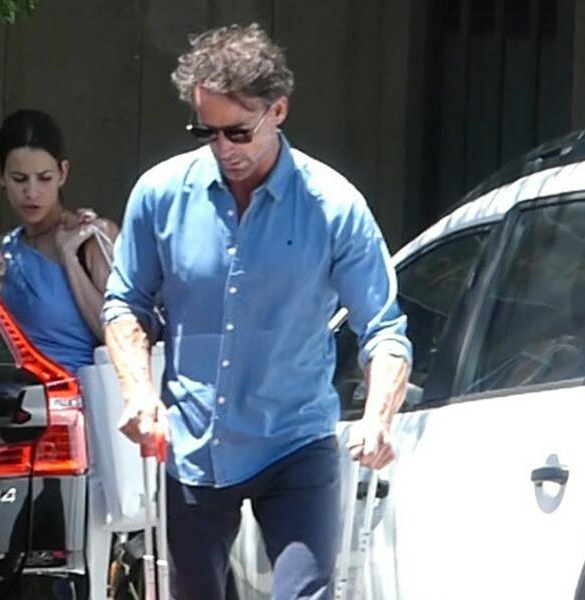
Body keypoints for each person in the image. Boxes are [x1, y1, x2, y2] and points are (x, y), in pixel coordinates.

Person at [102, 24, 413, 599]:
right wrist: (139, 393)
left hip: (295, 439)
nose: (223, 149)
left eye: (239, 132)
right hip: (194, 443)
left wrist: (378, 418)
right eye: (207, 131)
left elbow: (384, 330)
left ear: (279, 111)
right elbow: (125, 303)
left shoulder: (333, 206)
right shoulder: (160, 194)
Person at [0, 109, 119, 373]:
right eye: (19, 179)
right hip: (17, 391)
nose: (32, 192)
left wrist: (70, 258)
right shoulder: (1, 249)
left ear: (63, 173)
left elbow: (120, 335)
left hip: (76, 391)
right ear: (0, 175)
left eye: (44, 178)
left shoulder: (92, 237)